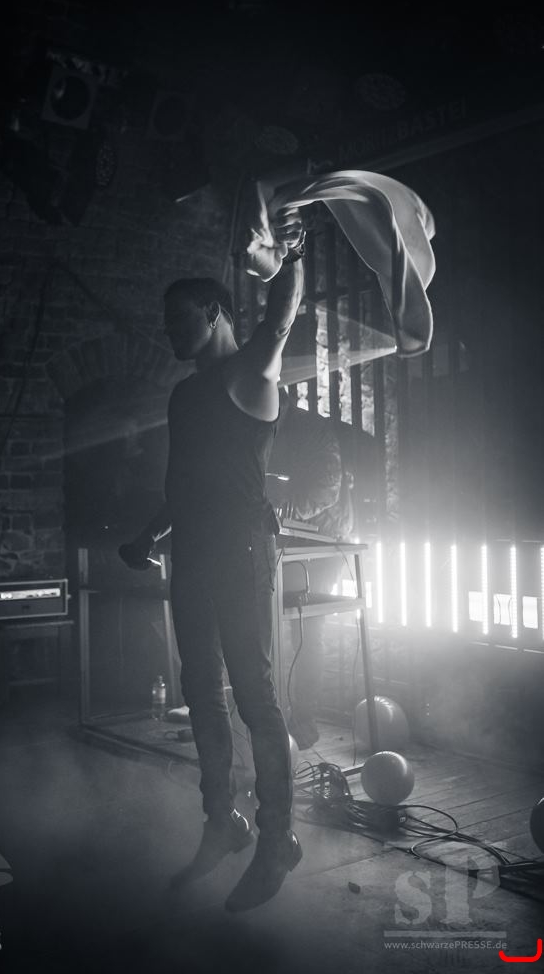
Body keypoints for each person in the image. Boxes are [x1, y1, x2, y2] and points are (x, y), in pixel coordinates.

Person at [118, 207, 305, 913]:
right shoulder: (184, 393)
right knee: (200, 687)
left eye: (178, 319)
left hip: (242, 551)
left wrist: (288, 260)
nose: (169, 331)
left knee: (254, 695)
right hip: (192, 553)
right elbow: (184, 486)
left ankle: (277, 839)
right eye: (166, 322)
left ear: (214, 312)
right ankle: (220, 823)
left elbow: (280, 319)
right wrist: (148, 537)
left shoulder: (248, 373)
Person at [268, 396, 355, 750]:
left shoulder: (313, 430)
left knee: (307, 630)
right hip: (288, 539)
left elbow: (326, 489)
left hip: (324, 540)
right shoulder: (265, 427)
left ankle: (303, 720)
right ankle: (275, 717)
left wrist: (281, 513)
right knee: (271, 626)